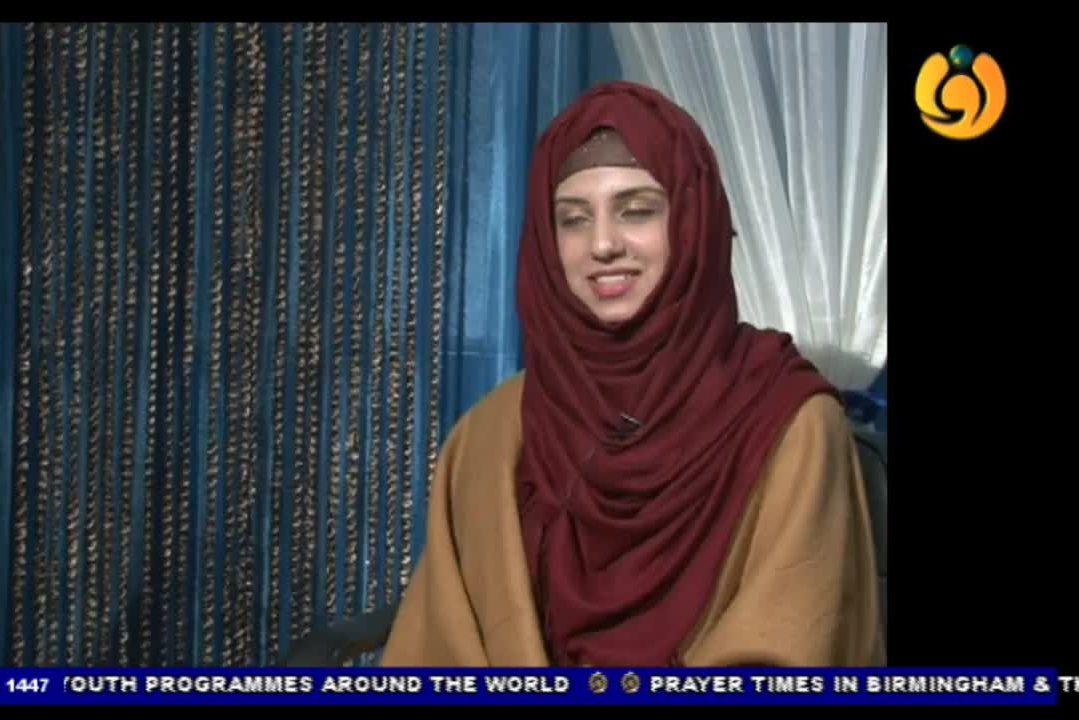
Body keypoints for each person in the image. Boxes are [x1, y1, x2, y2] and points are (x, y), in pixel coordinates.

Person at [378, 81, 884, 667]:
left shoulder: (788, 423)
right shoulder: (489, 438)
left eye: (637, 211)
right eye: (571, 219)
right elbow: (438, 655)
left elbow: (785, 653)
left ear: (693, 225)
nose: (602, 244)